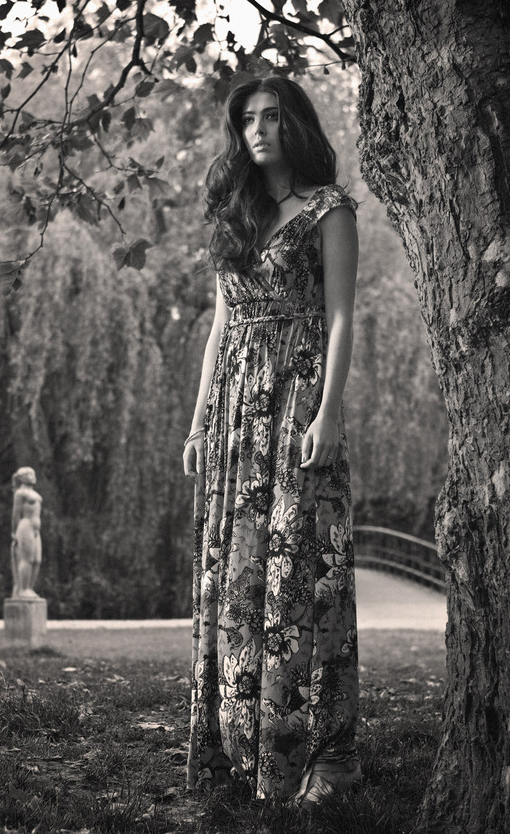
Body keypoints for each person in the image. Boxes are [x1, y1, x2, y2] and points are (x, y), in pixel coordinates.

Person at [183, 75, 361, 808]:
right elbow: (220, 328)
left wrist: (329, 412)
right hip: (235, 413)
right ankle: (235, 747)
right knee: (240, 572)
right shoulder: (235, 214)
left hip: (296, 403)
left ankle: (320, 757)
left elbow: (342, 317)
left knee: (302, 570)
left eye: (271, 116)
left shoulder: (328, 208)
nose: (257, 130)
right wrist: (199, 422)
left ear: (296, 124)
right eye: (247, 120)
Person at [11, 467, 43, 599]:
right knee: (27, 559)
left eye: (33, 473)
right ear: (22, 477)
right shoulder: (20, 493)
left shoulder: (34, 493)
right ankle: (23, 589)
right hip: (25, 526)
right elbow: (16, 514)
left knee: (37, 560)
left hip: (35, 529)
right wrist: (14, 532)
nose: (32, 476)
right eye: (28, 474)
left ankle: (30, 587)